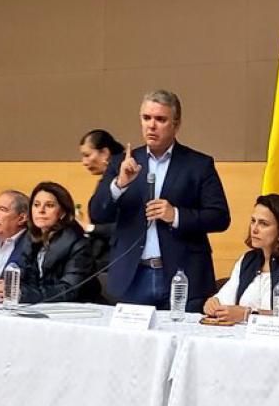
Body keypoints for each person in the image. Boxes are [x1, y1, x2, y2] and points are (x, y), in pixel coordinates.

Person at [87, 89, 230, 312]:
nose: (151, 126)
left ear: (176, 124)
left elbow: (220, 217)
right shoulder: (122, 163)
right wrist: (120, 184)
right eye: (146, 118)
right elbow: (97, 213)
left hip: (182, 275)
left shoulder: (198, 164)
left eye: (160, 119)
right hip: (132, 276)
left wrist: (177, 215)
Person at [203, 194, 279, 323]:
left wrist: (248, 315)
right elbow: (222, 300)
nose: (254, 229)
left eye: (263, 224)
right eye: (253, 221)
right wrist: (212, 304)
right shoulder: (247, 260)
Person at [15, 182, 99, 304]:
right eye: (36, 205)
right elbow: (23, 274)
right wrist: (7, 285)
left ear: (63, 213)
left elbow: (68, 290)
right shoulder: (30, 239)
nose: (41, 210)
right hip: (41, 306)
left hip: (79, 308)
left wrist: (25, 294)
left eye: (49, 205)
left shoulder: (79, 244)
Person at [77, 129, 122, 274]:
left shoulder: (122, 179)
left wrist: (90, 228)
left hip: (115, 258)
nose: (84, 162)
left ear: (104, 153)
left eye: (87, 155)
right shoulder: (110, 177)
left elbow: (131, 224)